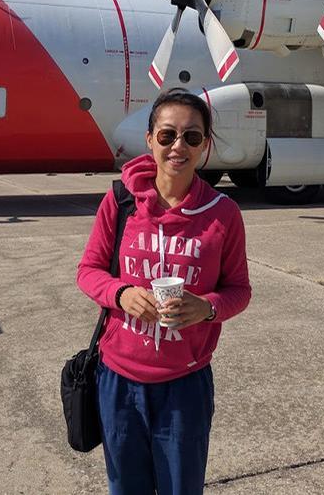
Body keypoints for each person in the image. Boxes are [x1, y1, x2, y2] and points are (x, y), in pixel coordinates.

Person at [77, 89, 252, 495]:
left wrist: (206, 309)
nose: (178, 146)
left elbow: (239, 290)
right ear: (150, 139)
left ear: (205, 146)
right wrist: (121, 294)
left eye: (192, 137)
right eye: (168, 134)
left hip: (184, 387)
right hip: (117, 380)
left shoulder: (223, 214)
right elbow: (88, 271)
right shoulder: (120, 201)